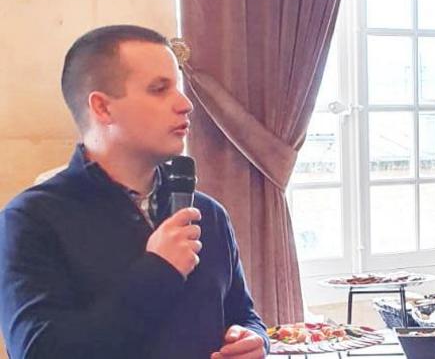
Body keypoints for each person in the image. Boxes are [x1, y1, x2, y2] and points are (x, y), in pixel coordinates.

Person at [0, 25, 269, 359]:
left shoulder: (208, 213)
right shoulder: (31, 220)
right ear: (102, 108)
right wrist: (159, 271)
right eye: (159, 89)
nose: (185, 104)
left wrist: (254, 338)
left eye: (179, 87)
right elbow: (39, 352)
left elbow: (242, 313)